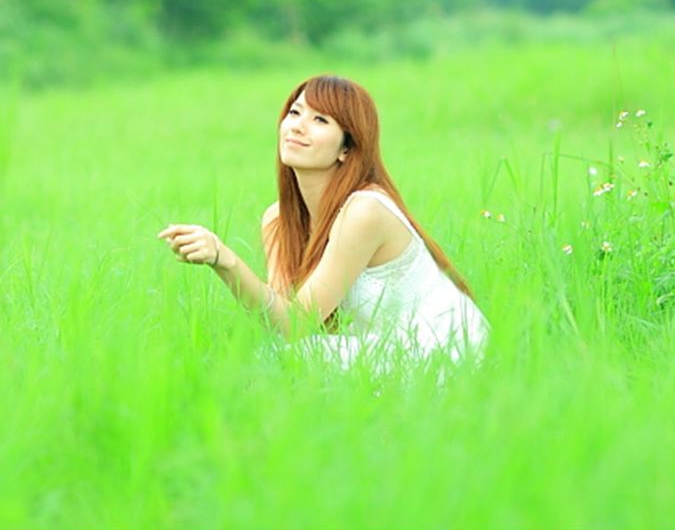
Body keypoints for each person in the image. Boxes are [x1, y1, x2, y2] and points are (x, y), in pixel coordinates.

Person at [158, 74, 488, 368]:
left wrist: (224, 260)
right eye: (294, 112)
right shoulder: (278, 220)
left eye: (320, 120)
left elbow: (297, 324)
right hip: (383, 347)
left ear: (347, 148)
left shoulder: (364, 211)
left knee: (286, 364)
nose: (298, 126)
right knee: (280, 358)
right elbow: (283, 324)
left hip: (444, 348)